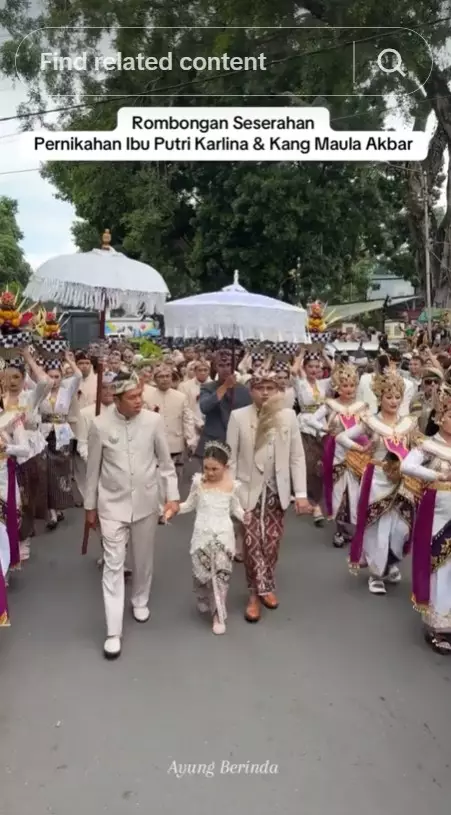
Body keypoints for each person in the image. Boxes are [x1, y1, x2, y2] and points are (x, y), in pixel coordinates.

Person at [84, 371, 180, 659]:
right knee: (113, 564)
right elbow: (92, 471)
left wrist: (172, 496)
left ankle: (140, 599)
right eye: (132, 397)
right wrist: (90, 507)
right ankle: (113, 631)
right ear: (117, 400)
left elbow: (166, 464)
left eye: (140, 395)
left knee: (142, 557)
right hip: (111, 505)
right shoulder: (100, 425)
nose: (139, 401)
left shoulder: (153, 421)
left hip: (146, 502)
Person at [227, 371, 310, 622]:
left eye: (270, 388)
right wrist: (230, 493)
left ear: (279, 391)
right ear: (250, 390)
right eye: (260, 387)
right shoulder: (238, 416)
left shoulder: (288, 416)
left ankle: (265, 584)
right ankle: (255, 594)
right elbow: (230, 459)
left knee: (271, 543)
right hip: (247, 490)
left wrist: (301, 494)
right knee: (252, 543)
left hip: (277, 490)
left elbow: (297, 456)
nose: (265, 392)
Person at [336, 369, 420, 595]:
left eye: (397, 396)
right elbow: (341, 437)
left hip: (403, 481)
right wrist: (361, 448)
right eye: (388, 396)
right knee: (378, 528)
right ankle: (376, 573)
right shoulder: (370, 422)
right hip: (377, 479)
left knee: (402, 528)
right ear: (380, 397)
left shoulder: (409, 423)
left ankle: (390, 562)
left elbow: (418, 448)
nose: (393, 401)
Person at [170, 441, 246, 635]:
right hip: (201, 535)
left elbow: (236, 509)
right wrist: (174, 509)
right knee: (201, 574)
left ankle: (218, 615)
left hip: (223, 536)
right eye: (207, 468)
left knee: (221, 576)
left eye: (215, 469)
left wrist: (248, 519)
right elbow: (189, 504)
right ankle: (203, 596)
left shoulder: (232, 486)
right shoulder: (199, 483)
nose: (210, 473)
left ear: (225, 467)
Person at [401, 385, 451, 654]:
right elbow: (406, 465)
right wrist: (436, 476)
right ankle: (437, 625)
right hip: (438, 512)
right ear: (440, 417)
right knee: (439, 566)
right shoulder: (429, 445)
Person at [303, 362, 366, 547]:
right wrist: (324, 428)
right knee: (338, 490)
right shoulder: (331, 405)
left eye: (352, 385)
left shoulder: (362, 406)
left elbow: (370, 426)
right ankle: (340, 529)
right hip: (337, 452)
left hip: (358, 452)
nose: (349, 389)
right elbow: (310, 419)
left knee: (357, 490)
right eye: (345, 385)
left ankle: (355, 528)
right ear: (338, 387)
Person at [1, 349, 51, 558]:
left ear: (23, 379)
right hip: (4, 460)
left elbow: (46, 382)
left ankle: (24, 540)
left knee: (26, 500)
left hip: (28, 456)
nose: (12, 382)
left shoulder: (30, 397)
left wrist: (28, 358)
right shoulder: (2, 400)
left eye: (16, 377)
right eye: (8, 377)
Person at [39, 351, 82, 529]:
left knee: (61, 472)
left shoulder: (67, 390)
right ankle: (51, 511)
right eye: (51, 376)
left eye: (57, 376)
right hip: (44, 434)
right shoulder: (40, 391)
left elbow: (78, 375)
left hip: (62, 434)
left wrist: (68, 360)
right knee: (47, 472)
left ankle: (58, 507)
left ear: (62, 377)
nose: (54, 380)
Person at [293, 350, 331, 526]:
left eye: (317, 367)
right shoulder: (300, 383)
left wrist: (323, 353)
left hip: (322, 426)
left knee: (322, 466)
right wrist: (302, 351)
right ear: (305, 368)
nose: (314, 370)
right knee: (308, 465)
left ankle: (319, 503)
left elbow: (337, 372)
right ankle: (313, 504)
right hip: (305, 427)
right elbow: (294, 370)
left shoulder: (323, 384)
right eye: (311, 367)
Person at [0, 409, 31, 617]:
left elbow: (25, 449)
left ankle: (4, 571)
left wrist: (6, 447)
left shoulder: (11, 419)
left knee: (4, 531)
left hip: (4, 483)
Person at [196, 348, 252, 460]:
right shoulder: (208, 387)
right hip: (212, 442)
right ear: (215, 367)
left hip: (237, 442)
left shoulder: (244, 390)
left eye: (229, 365)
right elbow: (205, 407)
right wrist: (225, 387)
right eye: (221, 365)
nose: (225, 369)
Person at [142, 363, 197, 475]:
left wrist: (190, 440)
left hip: (176, 445)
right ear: (155, 379)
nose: (165, 379)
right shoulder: (147, 397)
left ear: (172, 378)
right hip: (154, 446)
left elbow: (188, 419)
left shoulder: (180, 397)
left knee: (176, 477)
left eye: (167, 376)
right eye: (161, 377)